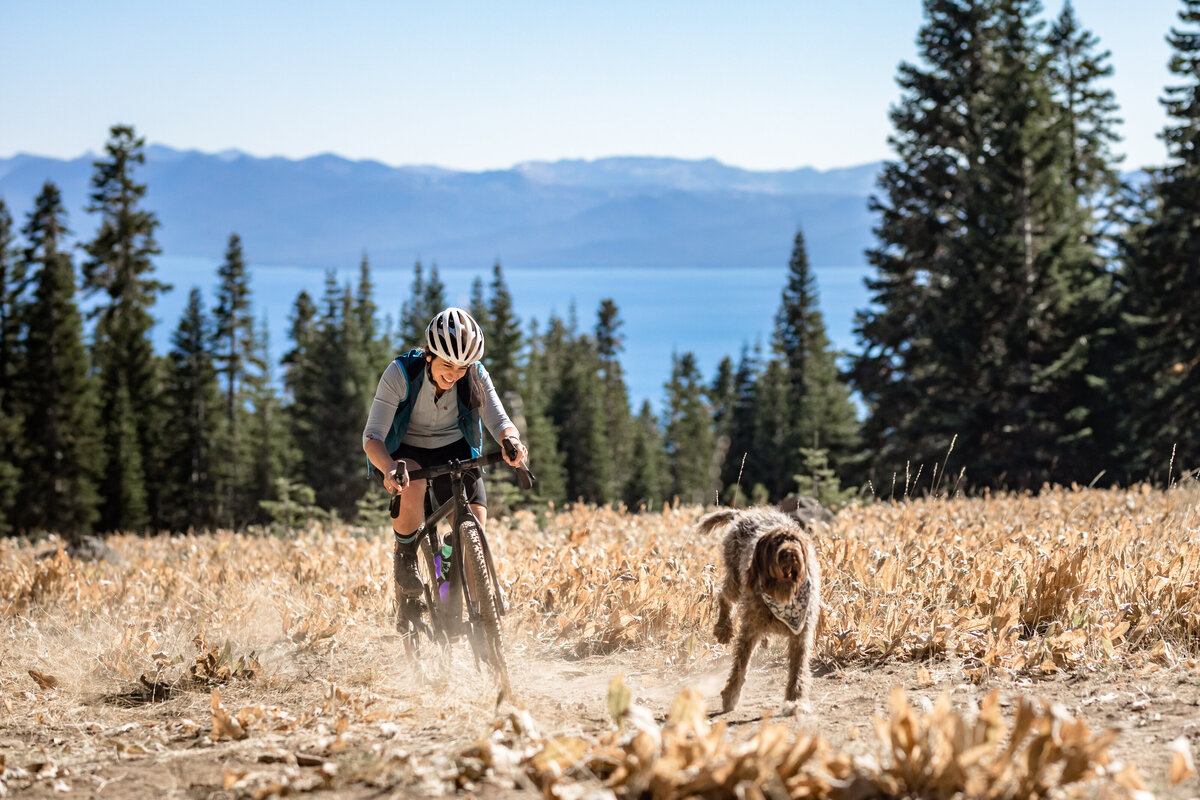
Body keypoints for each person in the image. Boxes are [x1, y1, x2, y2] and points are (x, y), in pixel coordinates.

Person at [362, 307, 529, 597]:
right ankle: (406, 555)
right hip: (405, 450)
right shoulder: (400, 373)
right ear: (430, 355)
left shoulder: (474, 373)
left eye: (461, 368)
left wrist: (511, 441)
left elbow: (500, 422)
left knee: (474, 527)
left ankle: (482, 618)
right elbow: (372, 436)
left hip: (454, 448)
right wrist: (388, 467)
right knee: (411, 485)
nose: (454, 375)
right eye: (447, 365)